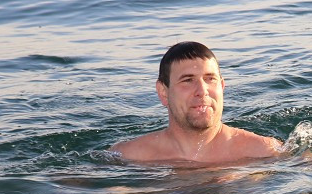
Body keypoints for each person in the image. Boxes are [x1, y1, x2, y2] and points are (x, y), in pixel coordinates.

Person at [111, 41, 283, 165]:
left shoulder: (264, 151)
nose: (202, 91)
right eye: (187, 80)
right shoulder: (129, 156)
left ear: (222, 87)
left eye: (210, 79)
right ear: (163, 92)